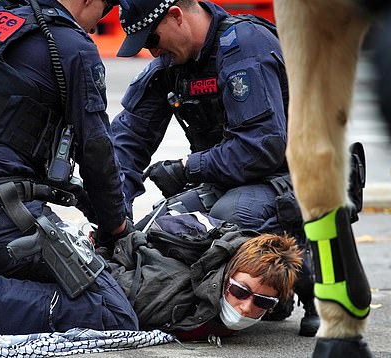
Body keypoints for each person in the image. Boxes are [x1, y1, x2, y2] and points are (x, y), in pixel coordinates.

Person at [0, 0, 140, 345]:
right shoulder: (70, 44)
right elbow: (96, 152)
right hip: (2, 220)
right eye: (102, 12)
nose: (94, 24)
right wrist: (116, 227)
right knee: (112, 310)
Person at [109, 0, 323, 336]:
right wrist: (115, 221)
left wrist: (187, 167)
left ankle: (293, 279)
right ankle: (205, 299)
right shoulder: (172, 63)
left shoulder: (244, 46)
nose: (152, 52)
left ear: (176, 16)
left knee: (230, 215)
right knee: (162, 228)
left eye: (152, 40)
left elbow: (262, 147)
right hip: (225, 180)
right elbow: (126, 142)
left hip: (288, 179)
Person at [105, 214, 303, 341]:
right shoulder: (169, 292)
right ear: (227, 276)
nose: (246, 307)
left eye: (263, 302)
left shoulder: (274, 287)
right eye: (240, 291)